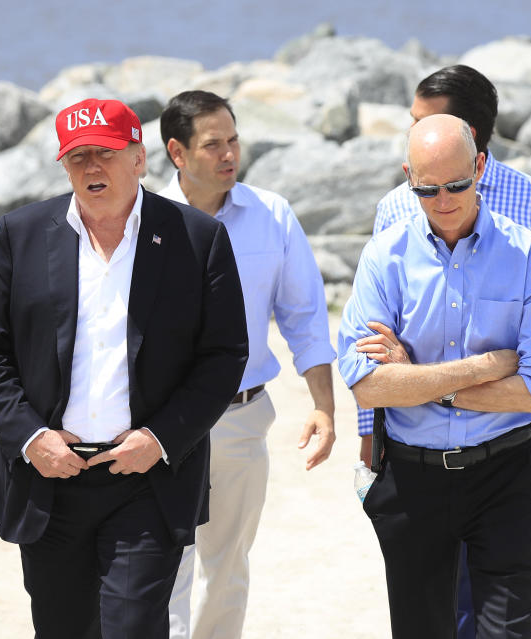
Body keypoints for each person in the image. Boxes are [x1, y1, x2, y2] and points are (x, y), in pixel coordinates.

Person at [0, 98, 248, 639]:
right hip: (49, 478)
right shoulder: (19, 235)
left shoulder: (197, 239)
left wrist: (160, 439)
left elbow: (224, 355)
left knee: (133, 628)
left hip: (146, 478)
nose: (92, 169)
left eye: (106, 154)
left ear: (139, 158)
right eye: (78, 158)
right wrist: (31, 438)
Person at [356, 64, 531, 638]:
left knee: (496, 618)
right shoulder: (393, 218)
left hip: (506, 457)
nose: (441, 200)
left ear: (476, 152)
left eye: (456, 184)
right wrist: (373, 423)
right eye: (425, 187)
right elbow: (370, 367)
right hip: (412, 465)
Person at [158, 90, 336, 639]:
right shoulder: (144, 221)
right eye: (213, 144)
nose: (229, 154)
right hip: (159, 424)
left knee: (227, 568)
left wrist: (323, 407)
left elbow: (304, 315)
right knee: (162, 566)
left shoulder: (271, 215)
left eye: (234, 140)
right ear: (177, 153)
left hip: (241, 418)